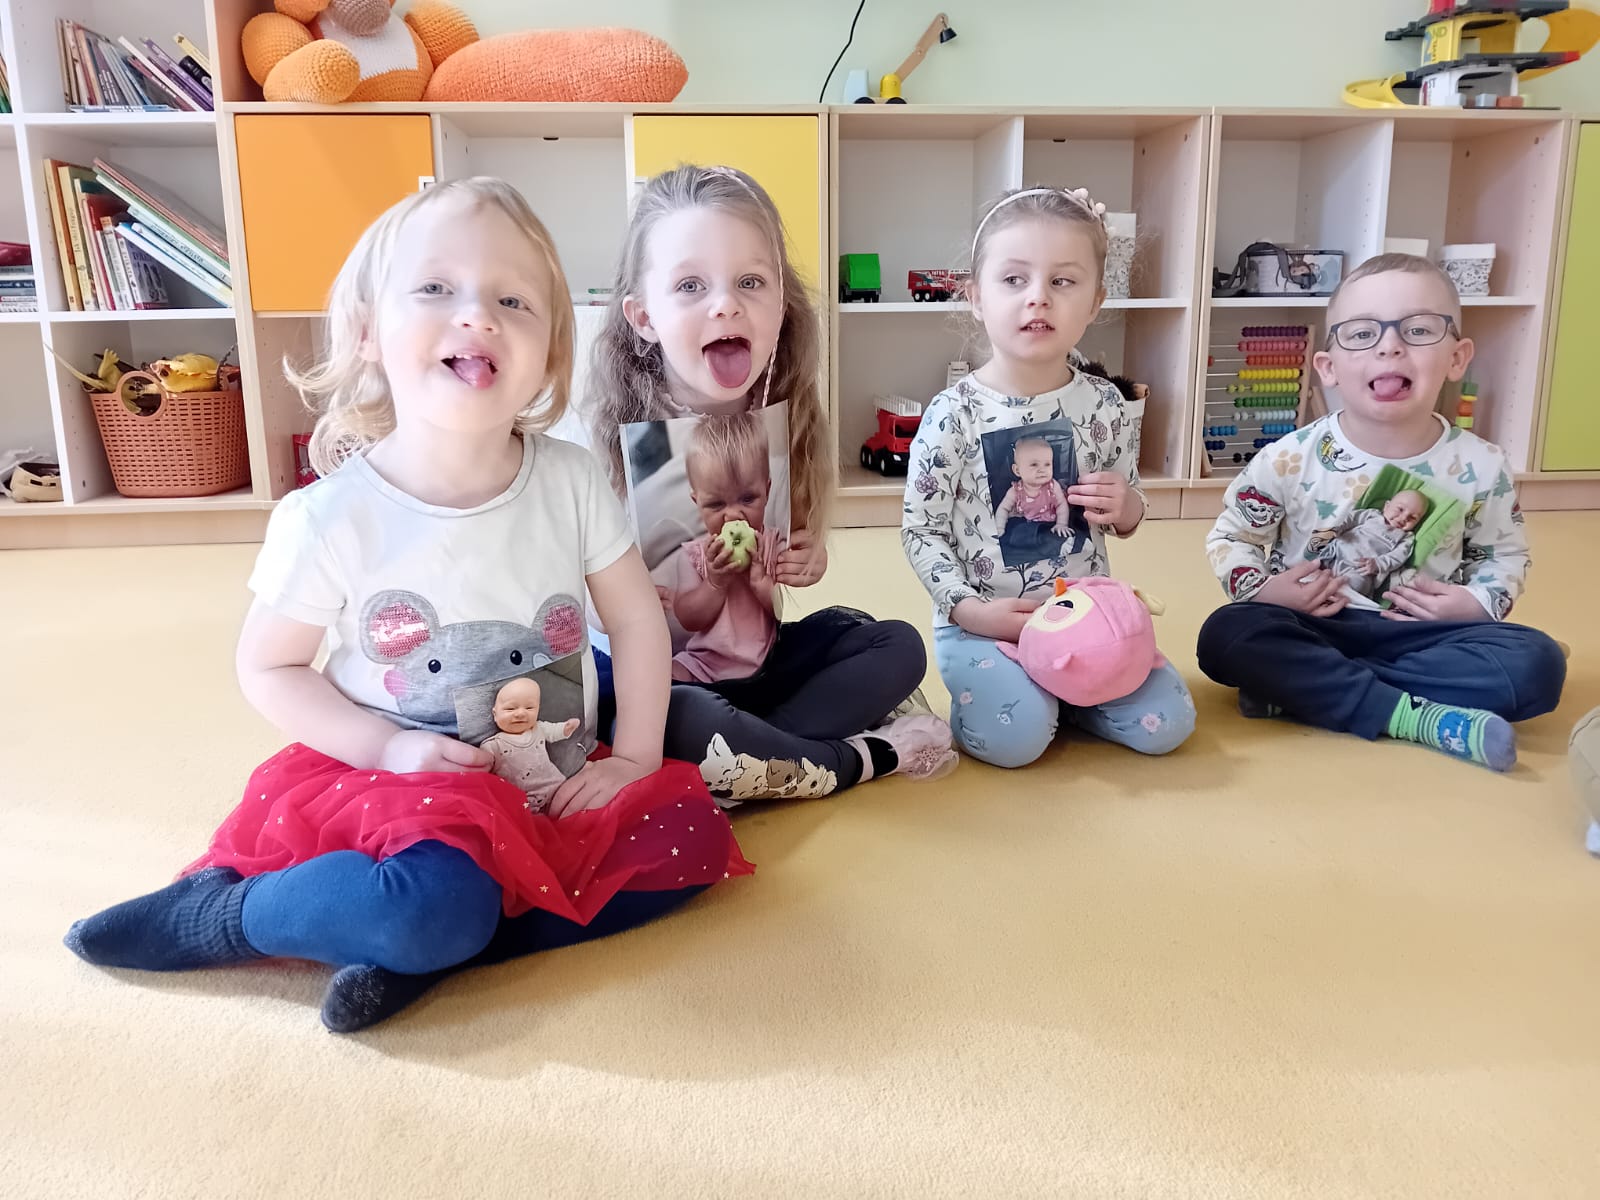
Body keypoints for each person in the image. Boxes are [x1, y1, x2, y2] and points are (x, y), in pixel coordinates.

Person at [63, 178, 751, 1032]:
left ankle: (435, 949)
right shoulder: (332, 517)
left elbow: (638, 619)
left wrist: (635, 759)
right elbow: (269, 666)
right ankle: (226, 915)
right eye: (435, 288)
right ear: (367, 333)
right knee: (432, 902)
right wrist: (386, 748)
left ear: (550, 351)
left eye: (513, 300)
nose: (478, 316)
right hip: (397, 793)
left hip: (548, 782)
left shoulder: (571, 480)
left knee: (694, 840)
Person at [588, 164, 956, 801]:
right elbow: (588, 607)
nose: (725, 303)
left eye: (751, 282)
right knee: (684, 723)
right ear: (643, 316)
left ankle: (756, 759)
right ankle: (854, 758)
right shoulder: (613, 445)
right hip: (663, 686)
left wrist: (808, 559)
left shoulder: (786, 417)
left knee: (899, 646)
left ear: (781, 305)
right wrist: (628, 596)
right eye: (690, 285)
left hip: (757, 661)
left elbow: (792, 552)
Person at [1197, 252, 1566, 771]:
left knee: (1538, 663)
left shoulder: (1484, 466)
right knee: (1225, 636)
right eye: (1362, 333)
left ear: (1457, 357)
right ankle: (1412, 715)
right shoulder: (1288, 457)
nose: (1389, 346)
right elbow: (1233, 535)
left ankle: (1307, 689)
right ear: (1328, 368)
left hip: (1422, 634)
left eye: (1418, 330)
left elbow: (1501, 555)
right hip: (1310, 622)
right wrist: (1265, 590)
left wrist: (1474, 603)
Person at [902, 186, 1196, 768]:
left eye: (1063, 281)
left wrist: (1127, 506)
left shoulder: (1107, 404)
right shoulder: (953, 413)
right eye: (1014, 279)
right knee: (1016, 742)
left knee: (1168, 724)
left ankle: (1071, 694)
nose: (1038, 297)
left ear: (1096, 301)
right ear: (976, 297)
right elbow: (921, 531)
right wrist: (967, 610)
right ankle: (1047, 696)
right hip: (988, 627)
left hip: (1086, 620)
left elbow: (1128, 506)